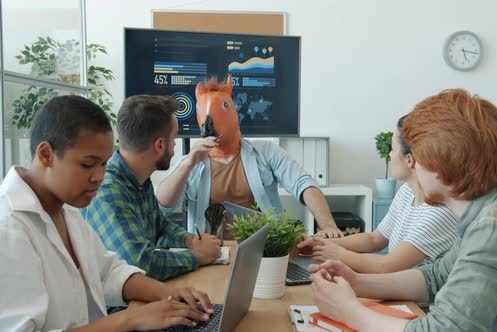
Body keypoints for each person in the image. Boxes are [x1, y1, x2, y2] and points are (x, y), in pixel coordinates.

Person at [309, 89, 497, 331]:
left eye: (417, 159)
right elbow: (434, 277)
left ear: (440, 170)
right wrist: (357, 282)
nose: (413, 167)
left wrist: (351, 312)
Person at [0, 96, 215, 331]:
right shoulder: (8, 227)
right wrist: (131, 319)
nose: (99, 177)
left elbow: (108, 273)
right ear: (45, 154)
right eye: (87, 165)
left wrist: (171, 294)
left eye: (103, 164)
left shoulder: (66, 209)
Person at [156, 76, 342, 239]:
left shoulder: (266, 152)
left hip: (264, 251)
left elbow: (303, 183)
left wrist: (328, 226)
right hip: (209, 256)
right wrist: (186, 164)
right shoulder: (191, 163)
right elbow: (162, 206)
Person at [82, 95, 221, 281]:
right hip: (117, 307)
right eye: (174, 138)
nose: (174, 145)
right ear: (160, 145)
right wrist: (197, 256)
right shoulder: (108, 191)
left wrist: (190, 241)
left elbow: (160, 228)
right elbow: (140, 263)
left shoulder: (139, 179)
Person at [297, 116, 457, 273]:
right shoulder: (407, 191)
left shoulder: (439, 213)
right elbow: (375, 239)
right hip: (394, 290)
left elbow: (387, 265)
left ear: (409, 160)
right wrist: (323, 243)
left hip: (417, 298)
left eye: (392, 149)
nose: (390, 155)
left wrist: (339, 254)